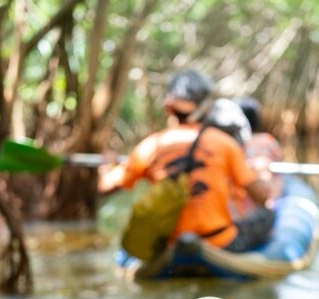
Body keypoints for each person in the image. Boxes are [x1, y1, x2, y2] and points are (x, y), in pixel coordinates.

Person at [98, 69, 275, 254]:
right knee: (268, 214)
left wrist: (106, 166)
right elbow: (263, 196)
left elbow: (105, 187)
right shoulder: (224, 143)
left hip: (172, 245)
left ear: (169, 108)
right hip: (219, 241)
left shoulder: (150, 146)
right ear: (207, 108)